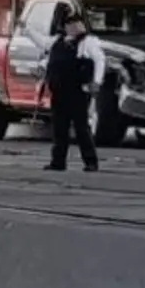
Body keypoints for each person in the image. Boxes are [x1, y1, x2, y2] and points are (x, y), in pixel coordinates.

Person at [40, 12, 105, 172]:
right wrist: (25, 29)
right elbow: (41, 42)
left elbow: (100, 59)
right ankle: (58, 161)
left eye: (77, 24)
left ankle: (90, 161)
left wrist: (97, 81)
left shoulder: (88, 42)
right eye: (71, 24)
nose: (75, 27)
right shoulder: (57, 41)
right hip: (59, 90)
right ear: (66, 27)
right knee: (59, 128)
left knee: (81, 127)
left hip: (78, 91)